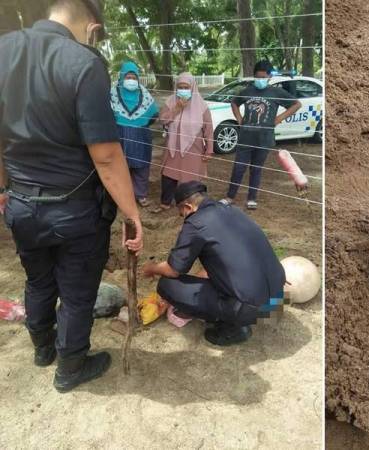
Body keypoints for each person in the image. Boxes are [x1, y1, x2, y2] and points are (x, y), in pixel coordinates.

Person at [0, 0, 143, 393]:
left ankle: (43, 349)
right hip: (75, 212)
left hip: (22, 204)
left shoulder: (4, 49)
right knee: (79, 294)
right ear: (92, 28)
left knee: (39, 282)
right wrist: (132, 214)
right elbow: (107, 154)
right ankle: (71, 368)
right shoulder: (83, 62)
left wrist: (4, 189)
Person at [142, 181, 286, 346]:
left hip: (250, 309)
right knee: (210, 279)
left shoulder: (195, 223)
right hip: (278, 297)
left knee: (167, 284)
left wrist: (151, 269)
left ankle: (233, 328)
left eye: (181, 213)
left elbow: (174, 270)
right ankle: (241, 312)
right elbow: (229, 254)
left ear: (187, 207)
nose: (183, 218)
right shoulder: (232, 210)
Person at [221, 60, 302, 210]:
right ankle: (229, 197)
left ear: (270, 77)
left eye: (263, 77)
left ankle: (252, 198)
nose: (260, 80)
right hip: (245, 138)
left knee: (256, 169)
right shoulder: (248, 91)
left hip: (264, 139)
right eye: (258, 77)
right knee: (238, 167)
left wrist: (278, 119)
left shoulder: (276, 92)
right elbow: (234, 103)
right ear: (254, 76)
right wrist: (240, 120)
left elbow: (296, 104)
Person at [152, 73, 214, 213]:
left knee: (191, 179)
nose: (183, 90)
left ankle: (191, 206)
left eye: (186, 87)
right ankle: (165, 203)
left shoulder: (202, 106)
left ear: (192, 87)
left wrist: (209, 149)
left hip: (193, 149)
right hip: (173, 147)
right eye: (180, 87)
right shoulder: (170, 102)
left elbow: (208, 129)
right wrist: (177, 109)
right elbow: (163, 120)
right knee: (168, 176)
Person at [110, 60, 159, 208]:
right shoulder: (113, 93)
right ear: (122, 76)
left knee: (141, 167)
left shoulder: (145, 94)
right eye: (128, 77)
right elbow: (106, 114)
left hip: (141, 136)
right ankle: (119, 196)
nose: (131, 80)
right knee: (119, 167)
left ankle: (141, 195)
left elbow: (153, 115)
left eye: (134, 77)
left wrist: (137, 124)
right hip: (119, 135)